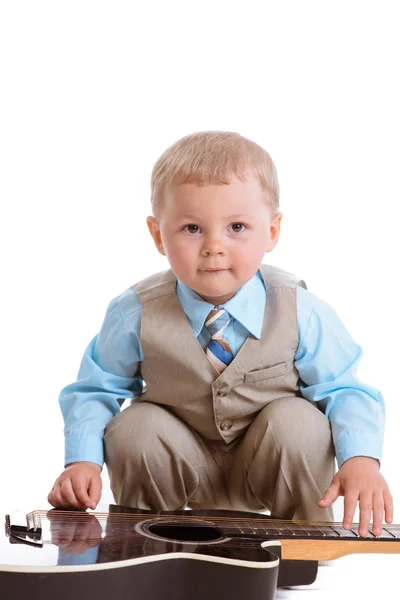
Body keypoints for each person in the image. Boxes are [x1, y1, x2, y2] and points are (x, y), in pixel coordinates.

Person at [48, 131, 393, 539]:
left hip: (270, 461)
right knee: (133, 427)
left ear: (272, 231)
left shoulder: (301, 310)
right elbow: (94, 389)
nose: (214, 246)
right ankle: (143, 547)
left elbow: (345, 390)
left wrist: (361, 460)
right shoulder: (135, 312)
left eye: (237, 227)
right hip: (179, 459)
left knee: (301, 422)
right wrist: (82, 462)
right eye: (192, 228)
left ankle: (303, 549)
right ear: (158, 235)